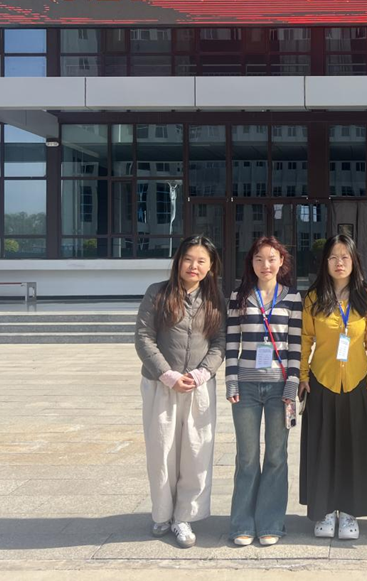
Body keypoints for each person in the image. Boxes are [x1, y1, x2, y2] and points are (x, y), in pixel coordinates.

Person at [135, 235, 226, 549]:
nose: (193, 266)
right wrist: (168, 375)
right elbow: (143, 337)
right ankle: (162, 513)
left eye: (201, 261)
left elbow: (220, 343)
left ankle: (184, 517)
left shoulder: (214, 299)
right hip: (161, 385)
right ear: (178, 261)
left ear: (211, 267)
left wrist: (202, 373)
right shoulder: (157, 293)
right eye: (188, 259)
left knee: (196, 453)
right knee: (161, 452)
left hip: (199, 387)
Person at [299, 234, 367, 540]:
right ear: (325, 262)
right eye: (333, 257)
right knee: (322, 449)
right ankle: (323, 511)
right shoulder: (313, 298)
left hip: (357, 383)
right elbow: (305, 339)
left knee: (353, 449)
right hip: (321, 382)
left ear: (354, 261)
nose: (339, 263)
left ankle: (349, 512)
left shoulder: (366, 297)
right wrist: (303, 375)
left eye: (345, 257)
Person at [225, 236, 302, 547]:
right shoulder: (239, 296)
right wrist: (231, 380)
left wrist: (292, 383)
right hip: (245, 387)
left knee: (276, 456)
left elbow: (295, 346)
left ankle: (271, 522)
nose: (265, 265)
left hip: (279, 388)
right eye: (259, 259)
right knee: (246, 457)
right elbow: (232, 342)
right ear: (251, 263)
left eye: (271, 259)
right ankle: (241, 524)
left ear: (281, 262)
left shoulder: (292, 298)